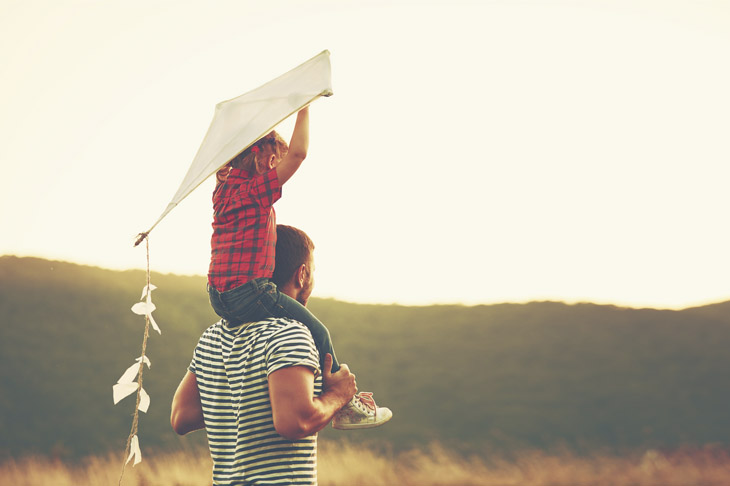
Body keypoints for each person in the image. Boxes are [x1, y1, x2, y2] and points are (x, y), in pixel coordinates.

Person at [206, 106, 389, 426]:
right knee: (318, 331)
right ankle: (344, 403)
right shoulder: (254, 191)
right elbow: (299, 154)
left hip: (217, 296)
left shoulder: (222, 192)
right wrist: (303, 107)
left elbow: (279, 154)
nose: (278, 167)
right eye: (274, 160)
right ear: (261, 158)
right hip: (250, 292)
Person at [171, 225, 392, 485]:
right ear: (302, 274)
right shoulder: (289, 333)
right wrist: (337, 396)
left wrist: (244, 402)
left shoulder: (212, 337)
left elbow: (181, 417)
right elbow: (294, 422)